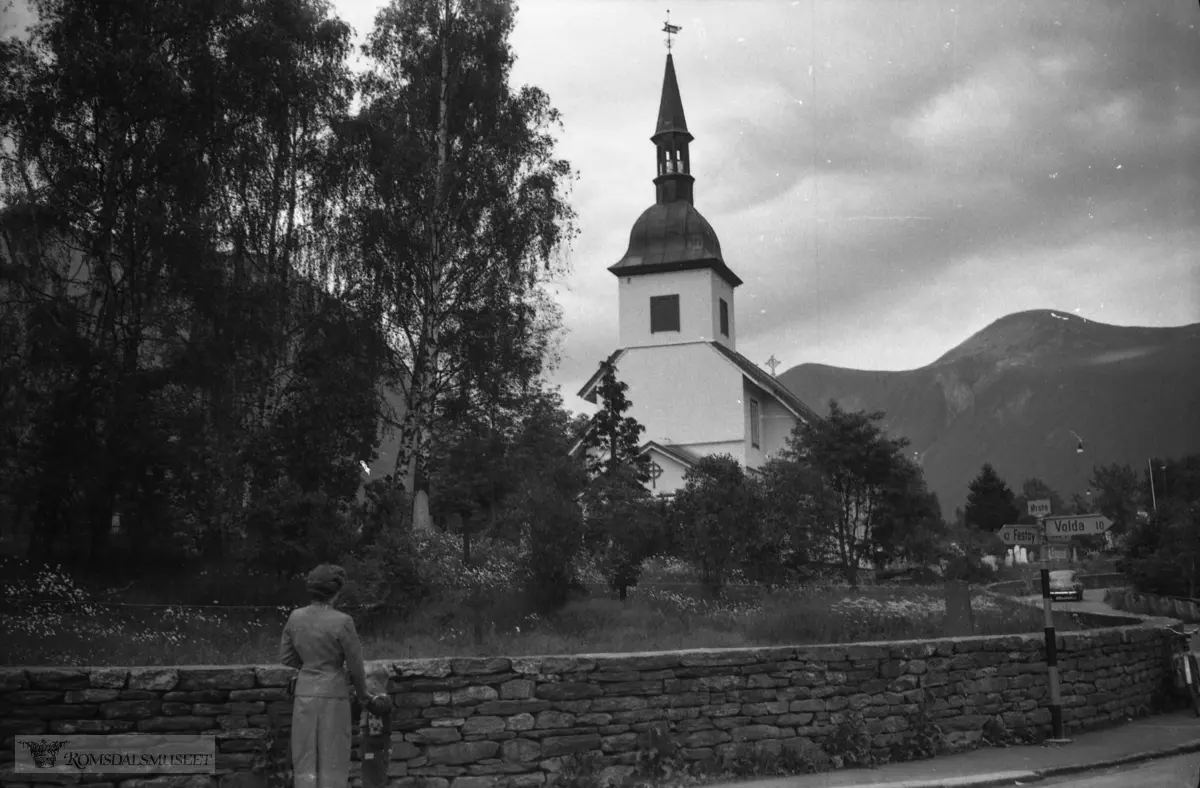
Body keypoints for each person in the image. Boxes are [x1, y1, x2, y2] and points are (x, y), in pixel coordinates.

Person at [279, 564, 387, 788]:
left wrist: (310, 666)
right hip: (334, 693)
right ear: (336, 592)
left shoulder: (295, 617)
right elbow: (356, 666)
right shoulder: (343, 621)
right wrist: (363, 694)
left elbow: (286, 657)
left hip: (304, 693)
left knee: (305, 755)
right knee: (333, 756)